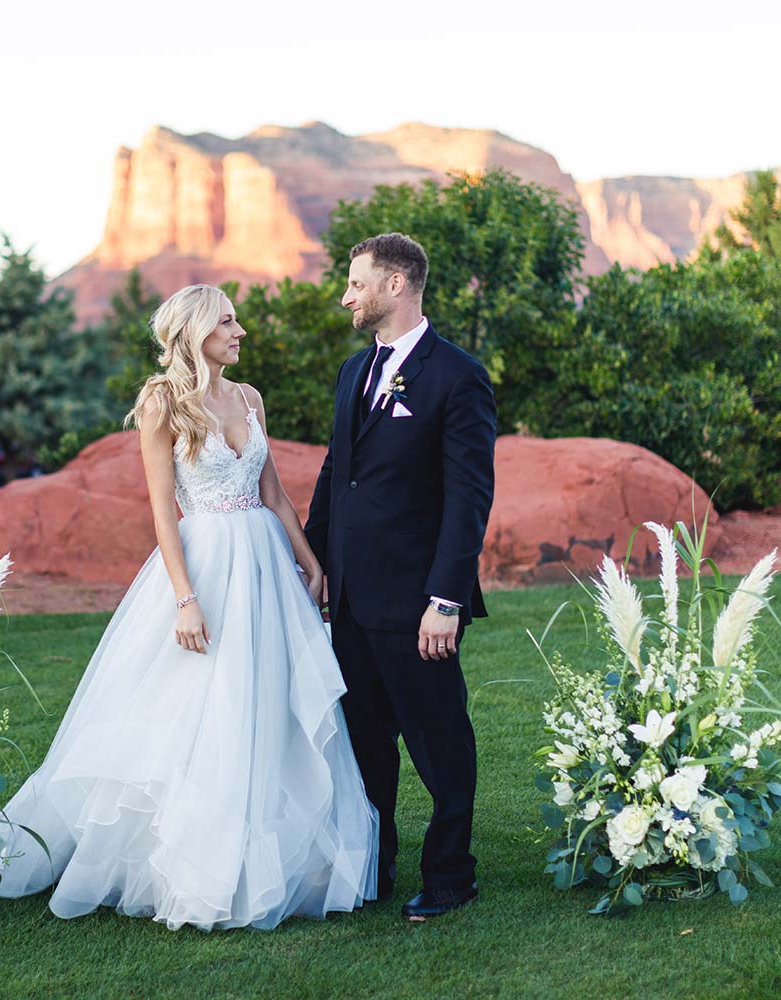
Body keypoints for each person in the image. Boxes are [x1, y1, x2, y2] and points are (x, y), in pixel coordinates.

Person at [0, 284, 378, 930]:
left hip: (264, 564)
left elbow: (273, 494)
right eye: (227, 321)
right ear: (195, 332)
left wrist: (310, 563)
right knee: (206, 706)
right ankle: (193, 862)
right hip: (206, 565)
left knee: (267, 702)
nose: (240, 329)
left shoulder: (249, 399)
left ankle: (270, 852)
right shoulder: (161, 403)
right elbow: (163, 510)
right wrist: (185, 598)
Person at [304, 233, 497, 921]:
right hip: (351, 599)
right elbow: (336, 473)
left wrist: (445, 598)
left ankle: (450, 876)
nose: (346, 296)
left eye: (355, 284)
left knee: (439, 740)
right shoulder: (353, 374)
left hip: (419, 603)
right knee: (365, 748)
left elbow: (469, 497)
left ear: (394, 284)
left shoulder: (458, 376)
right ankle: (372, 869)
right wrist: (314, 565)